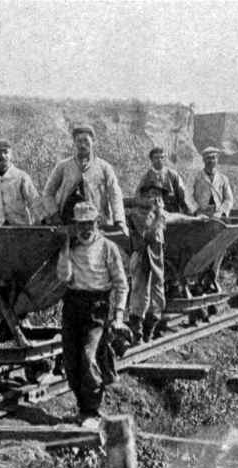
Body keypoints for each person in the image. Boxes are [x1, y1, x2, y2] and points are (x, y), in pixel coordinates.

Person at [57, 201, 131, 428]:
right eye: (81, 225)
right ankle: (82, 406)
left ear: (97, 223)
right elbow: (62, 277)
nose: (85, 229)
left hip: (97, 307)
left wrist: (118, 316)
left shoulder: (108, 248)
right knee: (71, 359)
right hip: (72, 304)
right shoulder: (71, 247)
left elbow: (121, 284)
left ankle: (92, 409)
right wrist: (65, 250)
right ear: (75, 226)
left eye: (89, 224)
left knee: (89, 357)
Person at [42, 124, 127, 237]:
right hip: (69, 222)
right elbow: (48, 193)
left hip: (98, 222)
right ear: (74, 142)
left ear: (93, 141)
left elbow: (115, 194)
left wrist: (119, 220)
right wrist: (55, 215)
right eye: (79, 141)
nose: (82, 145)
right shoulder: (63, 166)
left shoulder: (104, 167)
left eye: (86, 141)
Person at [125, 177, 169, 342]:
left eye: (159, 195)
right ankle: (137, 332)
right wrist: (158, 214)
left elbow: (172, 218)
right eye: (152, 194)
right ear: (144, 195)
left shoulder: (159, 214)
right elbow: (148, 234)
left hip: (156, 258)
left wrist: (198, 219)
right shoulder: (137, 214)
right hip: (142, 255)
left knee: (158, 295)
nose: (156, 199)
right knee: (140, 293)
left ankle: (148, 332)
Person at [189, 146, 234, 293]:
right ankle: (196, 280)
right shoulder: (197, 176)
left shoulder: (223, 179)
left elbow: (228, 199)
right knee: (201, 248)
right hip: (201, 216)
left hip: (218, 218)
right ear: (203, 160)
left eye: (213, 158)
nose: (211, 161)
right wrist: (196, 210)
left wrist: (221, 212)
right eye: (208, 158)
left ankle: (212, 276)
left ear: (217, 160)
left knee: (220, 247)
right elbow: (188, 196)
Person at [136, 146, 191, 214]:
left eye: (162, 157)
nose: (159, 160)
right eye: (156, 158)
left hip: (172, 212)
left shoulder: (173, 175)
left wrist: (187, 211)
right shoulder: (146, 177)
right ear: (151, 159)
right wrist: (147, 202)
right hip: (154, 213)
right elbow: (138, 196)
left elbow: (182, 194)